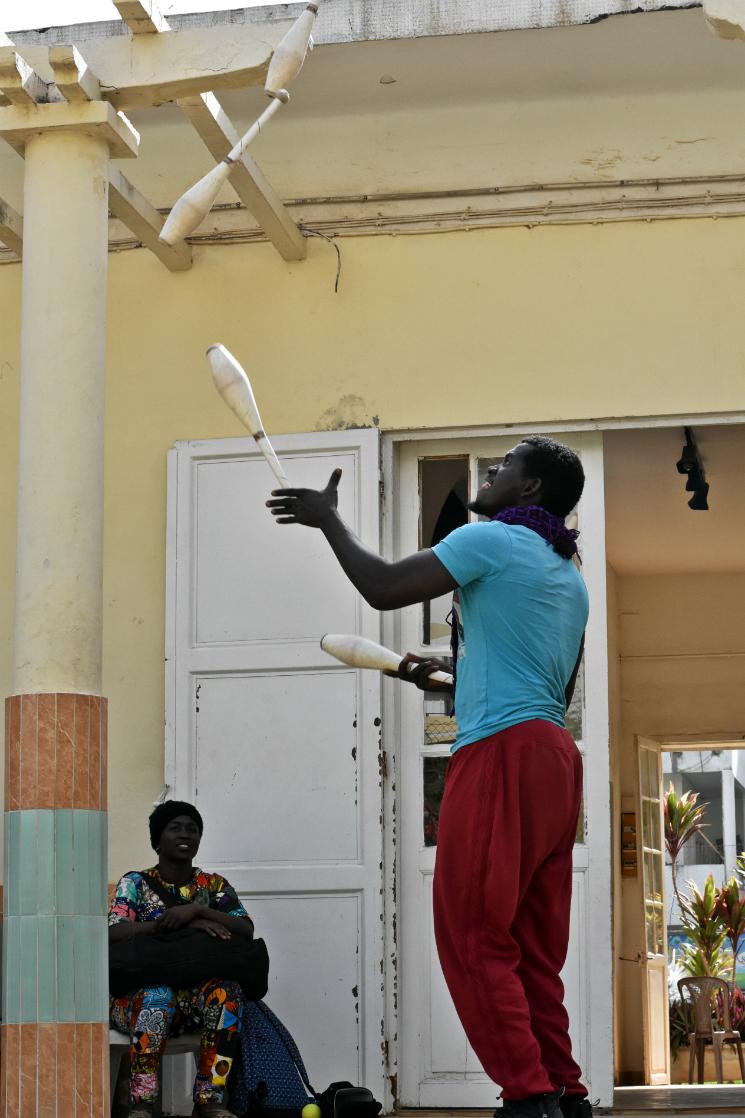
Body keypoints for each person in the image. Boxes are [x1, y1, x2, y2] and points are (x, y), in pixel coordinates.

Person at [266, 436, 590, 1118]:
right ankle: (562, 1090)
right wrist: (435, 676)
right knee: (530, 947)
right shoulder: (566, 574)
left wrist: (329, 521)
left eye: (505, 466)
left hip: (499, 753)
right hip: (552, 760)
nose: (493, 472)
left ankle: (528, 1097)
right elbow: (540, 688)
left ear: (529, 491)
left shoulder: (491, 541)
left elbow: (382, 588)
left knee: (472, 931)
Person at [109, 800, 254, 1118]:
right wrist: (178, 925)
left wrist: (200, 910)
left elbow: (245, 929)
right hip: (135, 1001)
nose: (185, 834)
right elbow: (114, 933)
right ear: (157, 840)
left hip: (193, 1005)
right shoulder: (135, 883)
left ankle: (210, 1101)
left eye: (192, 829)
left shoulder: (213, 886)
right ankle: (142, 1105)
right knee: (157, 995)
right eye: (175, 827)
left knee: (226, 993)